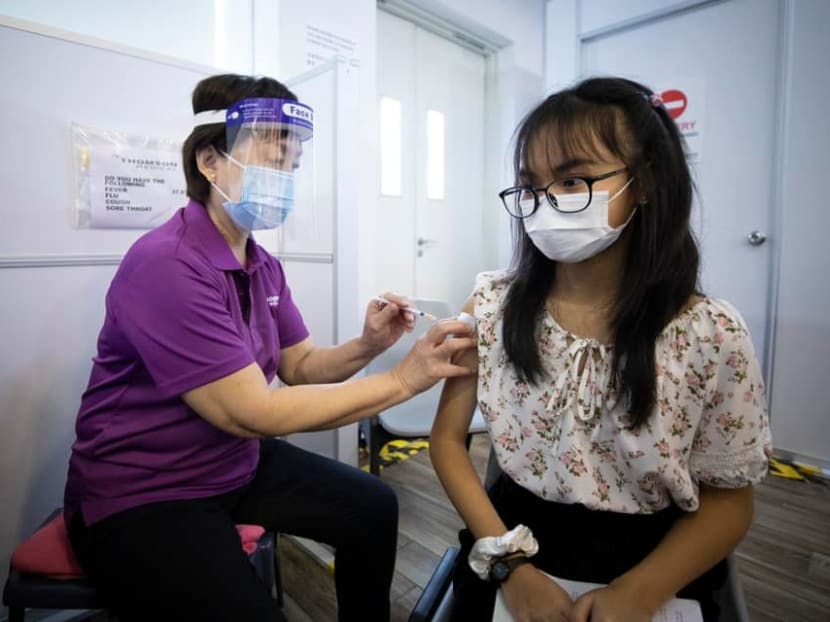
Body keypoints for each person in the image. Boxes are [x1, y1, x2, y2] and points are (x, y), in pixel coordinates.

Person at [63, 73, 475, 622]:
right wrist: (404, 379)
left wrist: (369, 344)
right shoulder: (167, 264)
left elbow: (300, 365)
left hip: (230, 465)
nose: (281, 177)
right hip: (146, 493)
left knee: (372, 507)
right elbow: (252, 411)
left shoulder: (261, 263)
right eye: (268, 159)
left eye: (291, 166)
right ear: (210, 162)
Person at [430, 77, 772, 622]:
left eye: (574, 180)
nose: (547, 203)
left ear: (645, 182)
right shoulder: (492, 305)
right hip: (514, 542)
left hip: (656, 562)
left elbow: (729, 501)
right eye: (532, 185)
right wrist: (510, 568)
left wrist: (638, 593)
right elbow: (448, 442)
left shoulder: (711, 333)